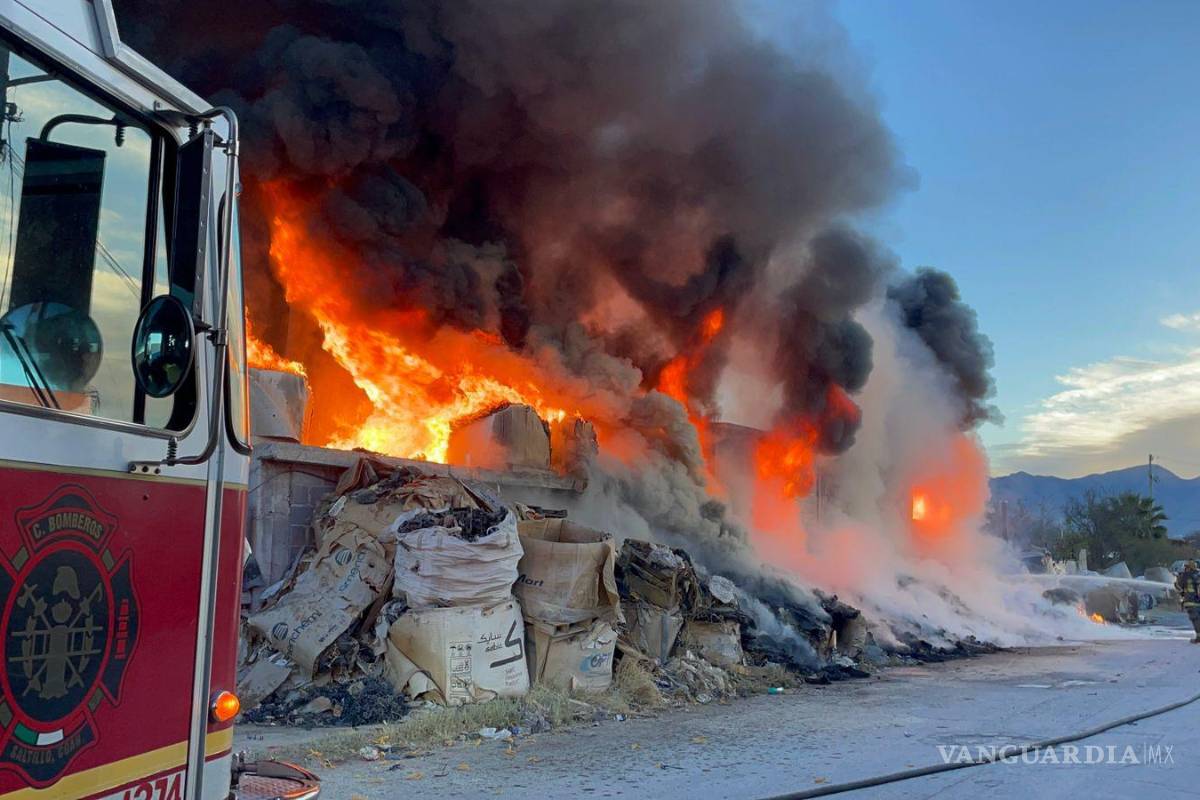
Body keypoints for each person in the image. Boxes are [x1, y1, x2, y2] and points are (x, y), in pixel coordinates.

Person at [1175, 560, 1200, 643]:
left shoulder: (1185, 575)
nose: (1185, 568)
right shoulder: (1198, 574)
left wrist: (1177, 579)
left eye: (1186, 567)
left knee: (1195, 619)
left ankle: (1199, 637)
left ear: (1188, 567)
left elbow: (1179, 587)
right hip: (1198, 600)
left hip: (1191, 601)